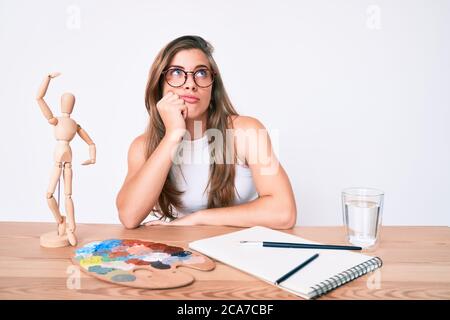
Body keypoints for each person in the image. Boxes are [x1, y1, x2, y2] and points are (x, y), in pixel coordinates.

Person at [116, 35, 297, 230]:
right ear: (160, 85)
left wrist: (198, 218)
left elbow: (283, 212)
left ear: (213, 86)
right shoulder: (142, 146)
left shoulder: (246, 131)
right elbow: (129, 216)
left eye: (201, 73)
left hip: (242, 248)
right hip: (184, 250)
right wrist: (173, 135)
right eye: (176, 72)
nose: (190, 84)